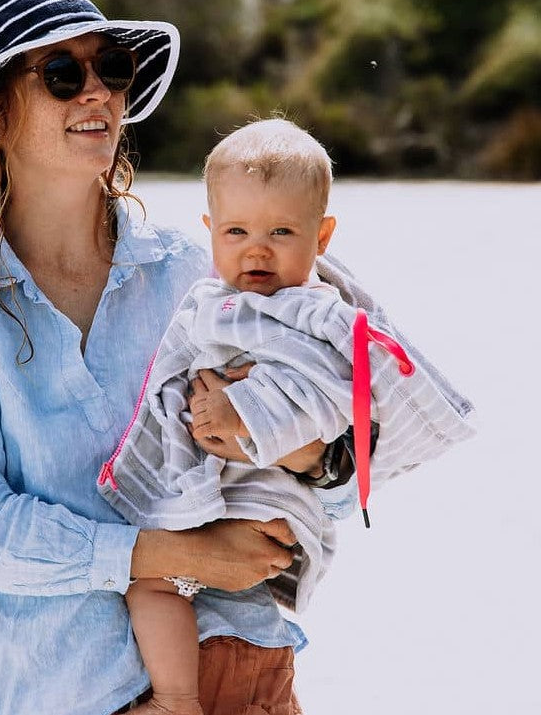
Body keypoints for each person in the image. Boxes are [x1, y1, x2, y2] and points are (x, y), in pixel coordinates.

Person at [0, 0, 329, 715]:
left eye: (110, 67)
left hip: (239, 674)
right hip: (57, 692)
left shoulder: (190, 270)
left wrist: (307, 453)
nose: (98, 92)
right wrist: (180, 555)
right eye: (61, 74)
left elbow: (327, 458)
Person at [98, 119, 476, 715]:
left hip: (265, 502)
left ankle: (175, 699)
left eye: (281, 231)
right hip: (223, 497)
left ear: (321, 236)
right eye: (237, 231)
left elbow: (328, 399)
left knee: (155, 584)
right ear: (210, 233)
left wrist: (246, 412)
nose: (257, 249)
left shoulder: (312, 311)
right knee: (152, 584)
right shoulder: (210, 296)